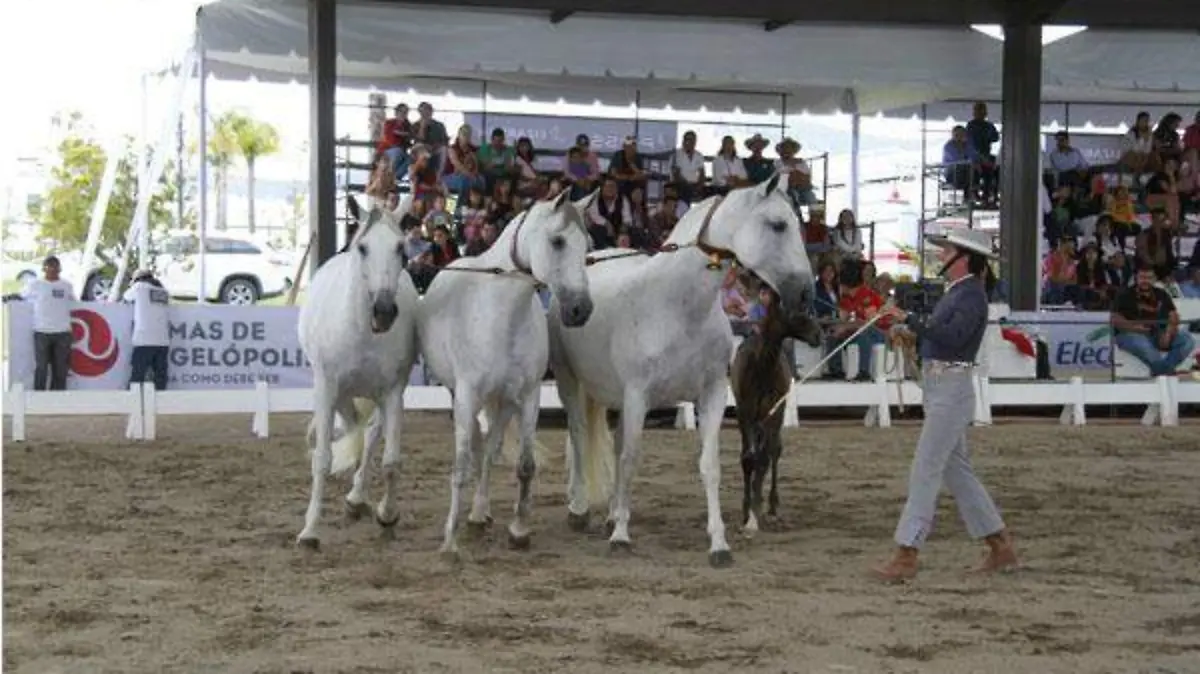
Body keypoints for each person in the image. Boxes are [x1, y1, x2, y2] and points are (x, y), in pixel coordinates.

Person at [873, 229, 1018, 581]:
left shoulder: (971, 296)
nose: (941, 256)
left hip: (950, 390)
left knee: (926, 469)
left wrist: (909, 320)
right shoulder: (961, 293)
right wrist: (908, 331)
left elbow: (952, 337)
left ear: (963, 257)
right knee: (956, 471)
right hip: (943, 387)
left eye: (947, 250)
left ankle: (908, 551)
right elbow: (941, 337)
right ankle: (999, 545)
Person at [1110, 267, 1195, 376]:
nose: (1145, 281)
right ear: (1136, 278)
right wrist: (1134, 328)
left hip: (1159, 332)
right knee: (1146, 347)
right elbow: (1114, 318)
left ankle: (1162, 370)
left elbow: (1173, 315)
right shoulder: (1124, 294)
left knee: (1187, 341)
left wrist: (1168, 333)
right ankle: (1166, 372)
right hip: (1130, 334)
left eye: (1149, 278)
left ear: (1154, 279)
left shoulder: (1161, 294)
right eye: (1142, 277)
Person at [12, 256, 77, 391]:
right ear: (44, 269)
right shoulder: (35, 284)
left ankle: (57, 398)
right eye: (49, 266)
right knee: (41, 368)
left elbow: (75, 301)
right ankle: (39, 398)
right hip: (42, 332)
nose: (53, 269)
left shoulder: (67, 285)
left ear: (60, 269)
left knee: (60, 369)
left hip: (63, 333)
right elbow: (21, 296)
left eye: (55, 266)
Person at [123, 269, 171, 390]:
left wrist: (131, 285)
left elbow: (126, 297)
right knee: (160, 376)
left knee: (137, 375)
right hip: (163, 340)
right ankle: (160, 403)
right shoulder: (163, 291)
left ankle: (132, 402)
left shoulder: (139, 287)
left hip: (144, 339)